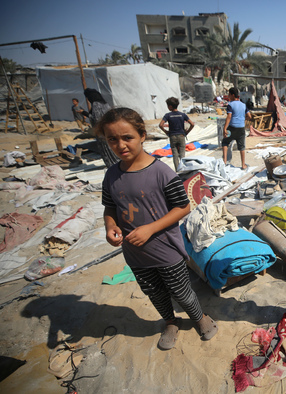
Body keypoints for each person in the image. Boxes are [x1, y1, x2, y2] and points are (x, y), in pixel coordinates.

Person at [98, 107, 217, 351]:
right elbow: (110, 208)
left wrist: (150, 229)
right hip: (135, 254)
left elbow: (183, 207)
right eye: (112, 139)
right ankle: (171, 322)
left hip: (166, 251)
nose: (120, 145)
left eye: (127, 137)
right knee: (156, 294)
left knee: (182, 292)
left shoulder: (161, 172)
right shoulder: (111, 175)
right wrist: (110, 226)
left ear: (142, 135)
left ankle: (201, 318)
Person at [84, 88, 119, 168]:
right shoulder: (105, 104)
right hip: (110, 132)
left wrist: (85, 113)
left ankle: (113, 166)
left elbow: (97, 120)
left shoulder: (96, 105)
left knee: (108, 152)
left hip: (103, 134)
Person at [159, 97, 194, 172]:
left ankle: (177, 171)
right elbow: (192, 124)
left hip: (172, 136)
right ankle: (183, 170)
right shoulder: (182, 115)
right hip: (181, 136)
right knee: (182, 154)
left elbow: (161, 125)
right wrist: (186, 132)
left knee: (175, 155)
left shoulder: (168, 115)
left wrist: (166, 132)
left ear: (170, 106)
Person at [222, 87, 252, 170]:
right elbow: (249, 116)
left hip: (232, 127)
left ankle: (224, 162)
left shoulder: (230, 105)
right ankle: (243, 165)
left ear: (232, 95)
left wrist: (225, 128)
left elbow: (229, 116)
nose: (228, 96)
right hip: (241, 128)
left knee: (225, 142)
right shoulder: (243, 105)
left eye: (229, 94)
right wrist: (243, 119)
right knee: (241, 146)